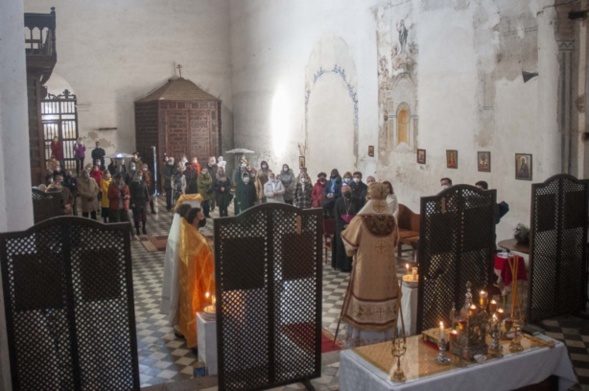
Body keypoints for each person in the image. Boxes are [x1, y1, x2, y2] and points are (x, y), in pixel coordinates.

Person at [340, 182, 400, 347]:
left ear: (369, 196)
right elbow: (395, 243)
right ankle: (384, 341)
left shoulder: (360, 220)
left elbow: (350, 246)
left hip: (365, 271)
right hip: (386, 273)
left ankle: (361, 340)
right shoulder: (391, 221)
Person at [177, 207, 215, 349]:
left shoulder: (188, 233)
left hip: (190, 279)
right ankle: (197, 334)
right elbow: (206, 257)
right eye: (201, 213)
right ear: (195, 218)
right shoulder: (196, 239)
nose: (203, 215)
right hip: (197, 279)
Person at [332, 184, 357, 272]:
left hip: (353, 227)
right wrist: (343, 225)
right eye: (345, 192)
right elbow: (336, 214)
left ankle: (350, 265)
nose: (346, 193)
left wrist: (351, 224)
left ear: (351, 192)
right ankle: (341, 265)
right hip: (340, 227)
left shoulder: (356, 201)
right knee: (341, 246)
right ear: (342, 193)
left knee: (351, 245)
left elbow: (358, 214)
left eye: (348, 192)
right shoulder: (338, 201)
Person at [130, 170, 149, 236]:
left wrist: (147, 200)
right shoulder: (133, 183)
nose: (140, 176)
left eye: (141, 175)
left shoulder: (143, 182)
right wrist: (132, 202)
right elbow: (131, 193)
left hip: (143, 200)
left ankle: (144, 227)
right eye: (139, 174)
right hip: (136, 200)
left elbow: (146, 191)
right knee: (137, 215)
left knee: (144, 215)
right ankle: (137, 229)